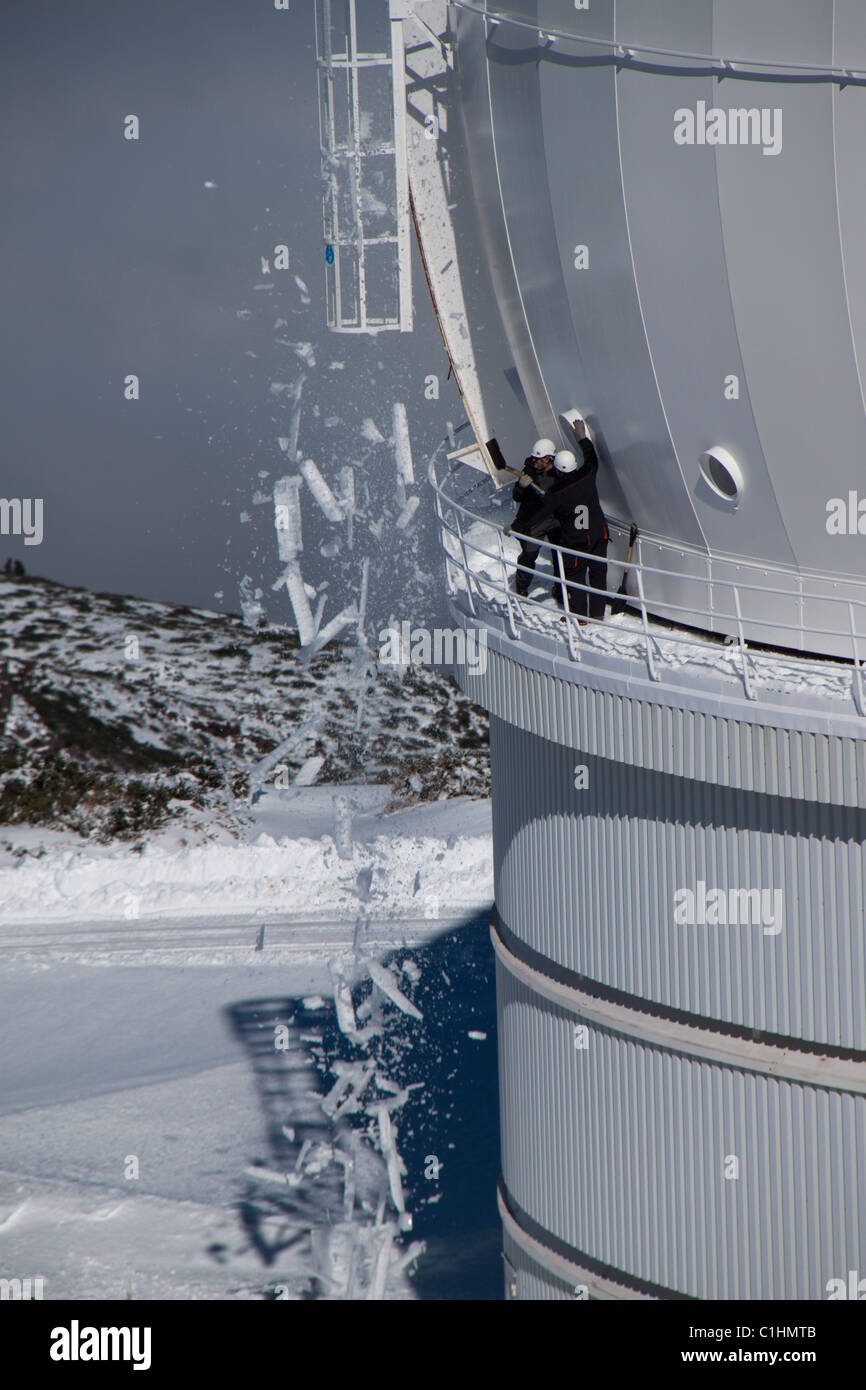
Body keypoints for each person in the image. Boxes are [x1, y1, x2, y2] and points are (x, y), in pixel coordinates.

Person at [537, 421, 609, 620]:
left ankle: (579, 616)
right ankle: (597, 614)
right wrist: (582, 437)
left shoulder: (557, 492)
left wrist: (517, 526)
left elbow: (541, 513)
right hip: (598, 534)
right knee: (598, 574)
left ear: (558, 471)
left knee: (576, 577)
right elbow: (592, 459)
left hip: (578, 541)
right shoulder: (587, 474)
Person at [505, 438, 561, 598]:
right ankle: (521, 587)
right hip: (535, 521)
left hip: (555, 519)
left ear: (548, 459)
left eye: (538, 459)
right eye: (534, 459)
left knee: (560, 554)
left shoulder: (558, 473)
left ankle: (560, 587)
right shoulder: (529, 471)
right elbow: (517, 497)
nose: (534, 462)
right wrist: (521, 486)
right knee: (529, 554)